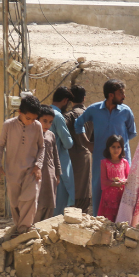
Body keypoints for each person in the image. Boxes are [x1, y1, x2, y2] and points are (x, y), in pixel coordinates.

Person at [74, 79, 137, 216]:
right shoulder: (94, 110)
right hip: (100, 157)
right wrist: (87, 143)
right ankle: (98, 219)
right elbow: (78, 124)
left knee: (124, 187)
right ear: (111, 95)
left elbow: (132, 132)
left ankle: (123, 220)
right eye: (121, 93)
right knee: (99, 186)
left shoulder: (126, 111)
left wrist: (119, 148)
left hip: (122, 159)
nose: (124, 96)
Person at [0, 95, 44, 236]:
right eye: (28, 118)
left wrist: (38, 165)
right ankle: (19, 228)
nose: (31, 122)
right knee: (15, 203)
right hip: (13, 171)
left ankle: (25, 228)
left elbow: (42, 147)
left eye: (34, 119)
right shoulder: (8, 125)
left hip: (31, 170)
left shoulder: (37, 126)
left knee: (29, 197)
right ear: (20, 112)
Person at [64, 85, 94, 213]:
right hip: (86, 155)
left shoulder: (69, 116)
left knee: (73, 188)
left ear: (70, 100)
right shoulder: (91, 115)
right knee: (85, 187)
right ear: (84, 98)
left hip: (71, 156)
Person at [50, 86, 75, 216]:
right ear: (65, 100)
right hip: (58, 163)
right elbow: (68, 143)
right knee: (59, 202)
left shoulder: (42, 112)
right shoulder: (58, 116)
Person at [36, 105, 61, 222]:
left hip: (50, 174)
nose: (47, 124)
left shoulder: (51, 135)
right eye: (44, 121)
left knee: (50, 202)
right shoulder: (33, 134)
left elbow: (56, 156)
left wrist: (58, 174)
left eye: (50, 122)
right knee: (38, 202)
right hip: (37, 173)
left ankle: (45, 226)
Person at [99, 135, 130, 222]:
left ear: (122, 148)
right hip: (109, 197)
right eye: (113, 147)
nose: (116, 150)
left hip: (121, 195)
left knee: (121, 218)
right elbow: (104, 180)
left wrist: (124, 182)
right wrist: (115, 184)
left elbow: (129, 178)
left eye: (118, 147)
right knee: (109, 220)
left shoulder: (124, 162)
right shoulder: (104, 163)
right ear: (108, 148)